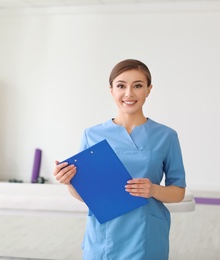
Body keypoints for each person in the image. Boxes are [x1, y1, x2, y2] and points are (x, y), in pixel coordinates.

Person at [53, 59, 186, 259]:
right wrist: (69, 182)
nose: (129, 94)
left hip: (146, 235)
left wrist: (153, 189)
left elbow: (178, 193)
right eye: (121, 86)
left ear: (149, 90)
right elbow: (87, 196)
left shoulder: (166, 136)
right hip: (104, 236)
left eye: (138, 86)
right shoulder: (92, 135)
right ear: (111, 90)